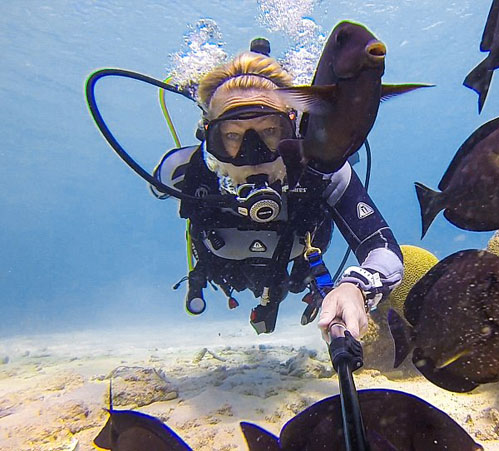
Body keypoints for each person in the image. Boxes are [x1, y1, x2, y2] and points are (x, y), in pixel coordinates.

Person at [152, 41, 403, 339]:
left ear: (294, 129)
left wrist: (356, 287)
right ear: (208, 136)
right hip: (222, 273)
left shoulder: (321, 172)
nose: (252, 155)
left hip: (296, 273)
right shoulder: (184, 171)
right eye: (231, 136)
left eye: (271, 131)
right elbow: (159, 187)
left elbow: (383, 249)